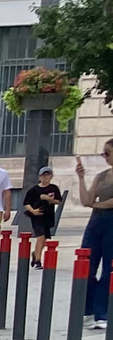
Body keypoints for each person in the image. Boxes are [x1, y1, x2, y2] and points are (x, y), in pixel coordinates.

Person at [77, 140, 113, 327]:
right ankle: (87, 309)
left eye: (107, 153)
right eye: (103, 154)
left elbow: (110, 203)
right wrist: (81, 178)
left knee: (109, 267)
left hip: (111, 223)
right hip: (96, 222)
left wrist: (96, 205)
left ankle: (102, 312)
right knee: (87, 264)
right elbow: (86, 200)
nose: (105, 157)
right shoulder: (101, 176)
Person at [22, 167, 64, 241]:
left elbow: (59, 201)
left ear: (51, 176)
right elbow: (26, 203)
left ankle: (36, 252)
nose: (46, 177)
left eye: (48, 175)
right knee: (40, 235)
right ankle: (38, 253)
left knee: (45, 237)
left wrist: (49, 199)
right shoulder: (34, 190)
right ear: (39, 177)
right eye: (43, 175)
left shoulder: (54, 188)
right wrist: (33, 211)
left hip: (48, 215)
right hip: (37, 216)